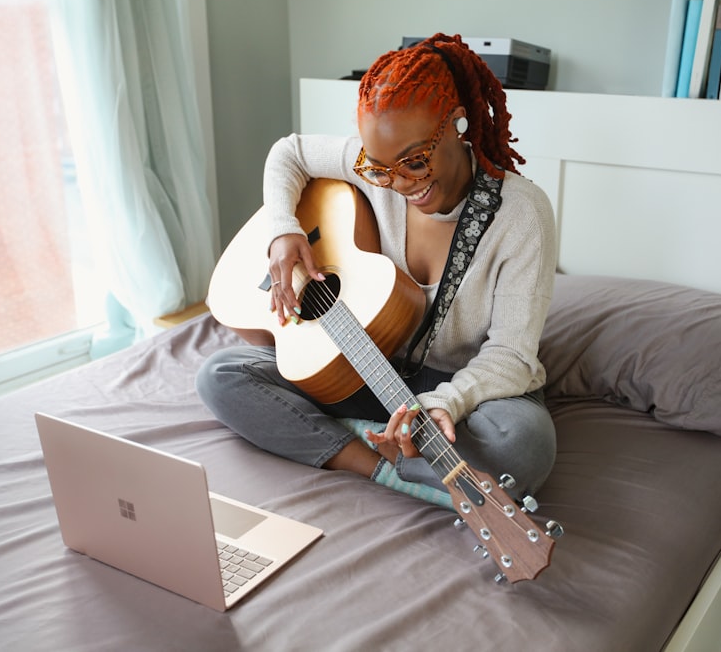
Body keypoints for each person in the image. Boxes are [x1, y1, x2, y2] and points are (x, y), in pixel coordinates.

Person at [197, 33, 556, 508]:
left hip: (462, 389)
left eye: (415, 161)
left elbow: (511, 354)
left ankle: (344, 435)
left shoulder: (520, 214)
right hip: (368, 366)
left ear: (456, 124)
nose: (401, 184)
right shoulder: (376, 168)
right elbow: (289, 152)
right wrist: (284, 230)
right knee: (221, 375)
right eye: (380, 169)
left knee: (524, 444)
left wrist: (445, 402)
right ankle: (378, 465)